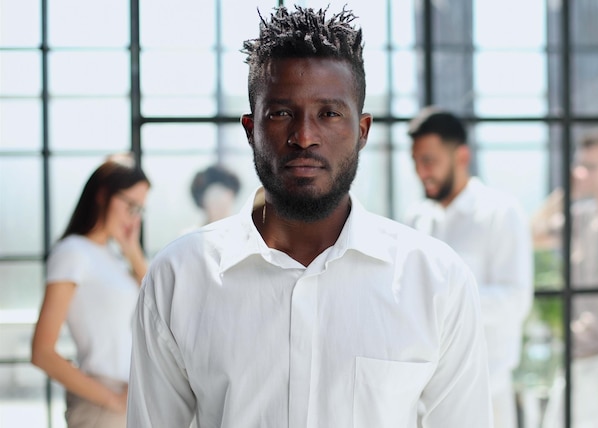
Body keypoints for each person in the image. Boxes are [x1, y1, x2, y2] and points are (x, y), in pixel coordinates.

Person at [127, 6, 492, 428]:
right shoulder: (180, 277)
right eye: (282, 113)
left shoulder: (435, 279)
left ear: (362, 130)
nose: (304, 136)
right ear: (250, 129)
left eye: (329, 113)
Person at [403, 107, 534, 428]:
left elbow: (516, 301)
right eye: (417, 162)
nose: (421, 172)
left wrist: (442, 300)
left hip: (486, 396)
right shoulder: (416, 220)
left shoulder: (500, 213)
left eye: (430, 161)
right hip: (423, 398)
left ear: (461, 156)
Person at [31, 152, 150, 428]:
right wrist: (114, 401)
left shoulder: (111, 255)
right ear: (103, 195)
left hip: (128, 399)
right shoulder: (73, 252)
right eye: (129, 205)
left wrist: (132, 251)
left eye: (139, 210)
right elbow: (42, 352)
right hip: (102, 405)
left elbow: (156, 303)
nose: (133, 218)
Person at [533, 130, 598, 427]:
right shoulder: (581, 217)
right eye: (579, 165)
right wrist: (567, 193)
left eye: (592, 166)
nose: (582, 172)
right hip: (576, 357)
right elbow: (528, 235)